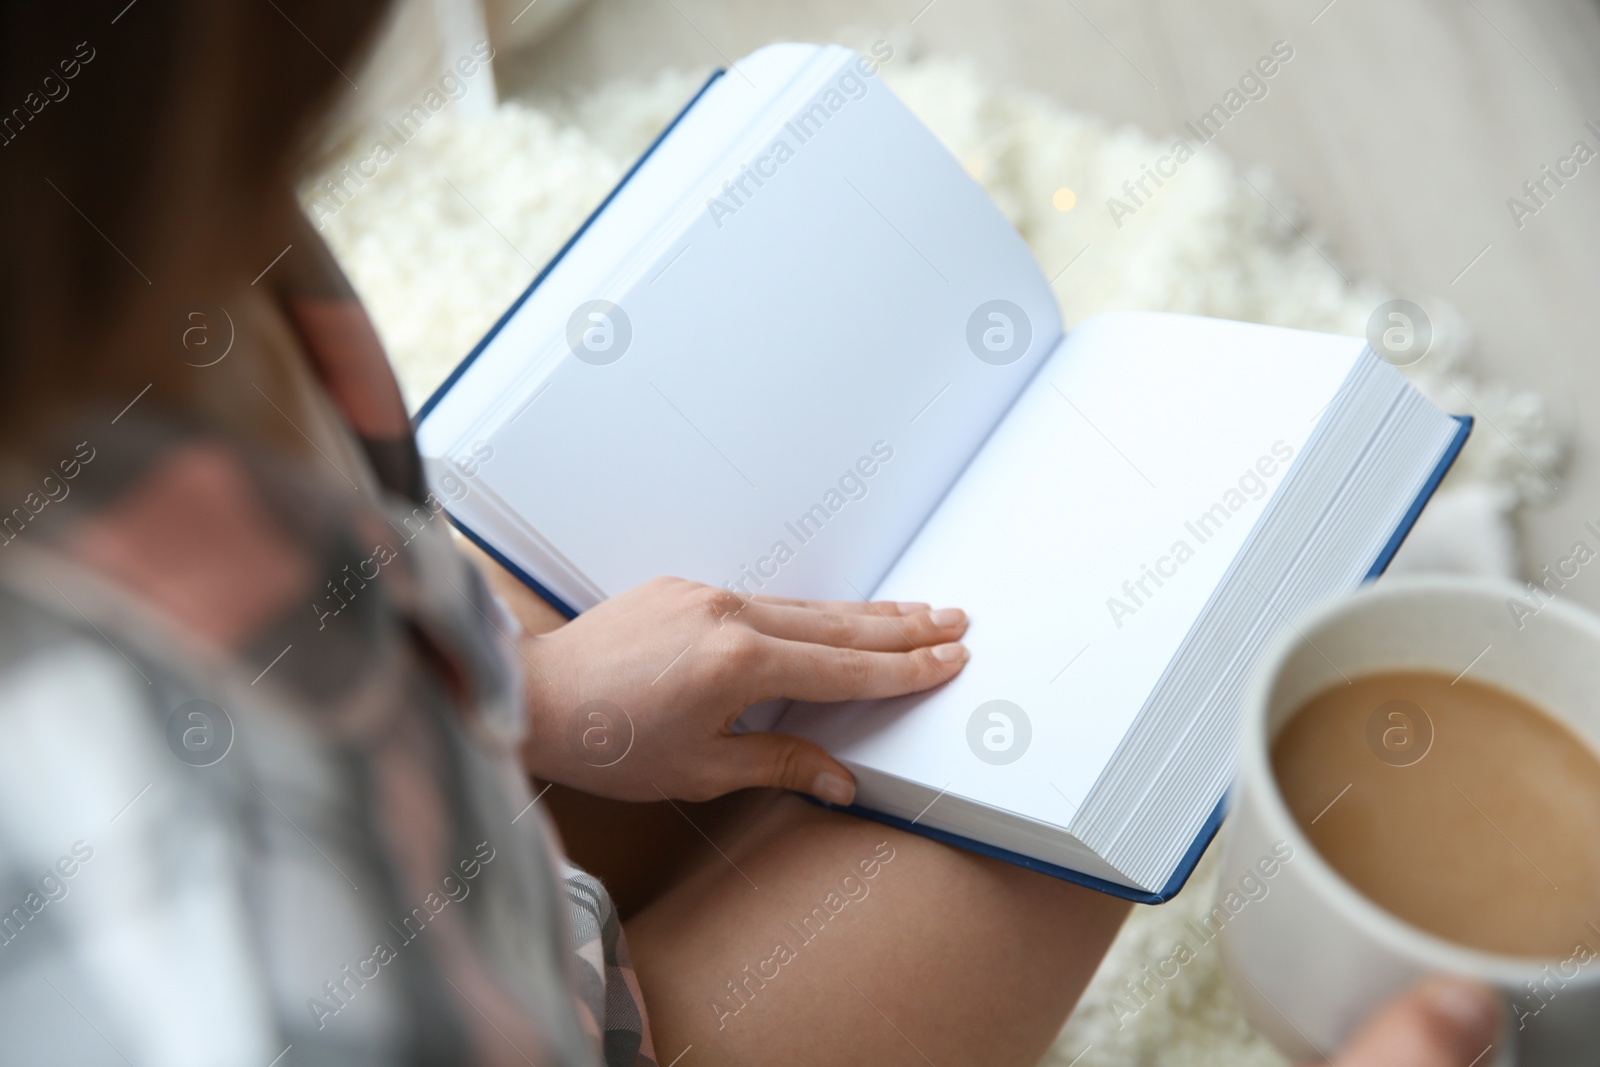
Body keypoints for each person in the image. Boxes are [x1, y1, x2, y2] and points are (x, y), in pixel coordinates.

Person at [0, 2, 1502, 1064]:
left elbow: (336, 581)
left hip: (441, 822)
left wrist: (541, 701)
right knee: (1110, 750)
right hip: (531, 1012)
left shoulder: (121, 243)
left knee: (808, 648)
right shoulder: (207, 948)